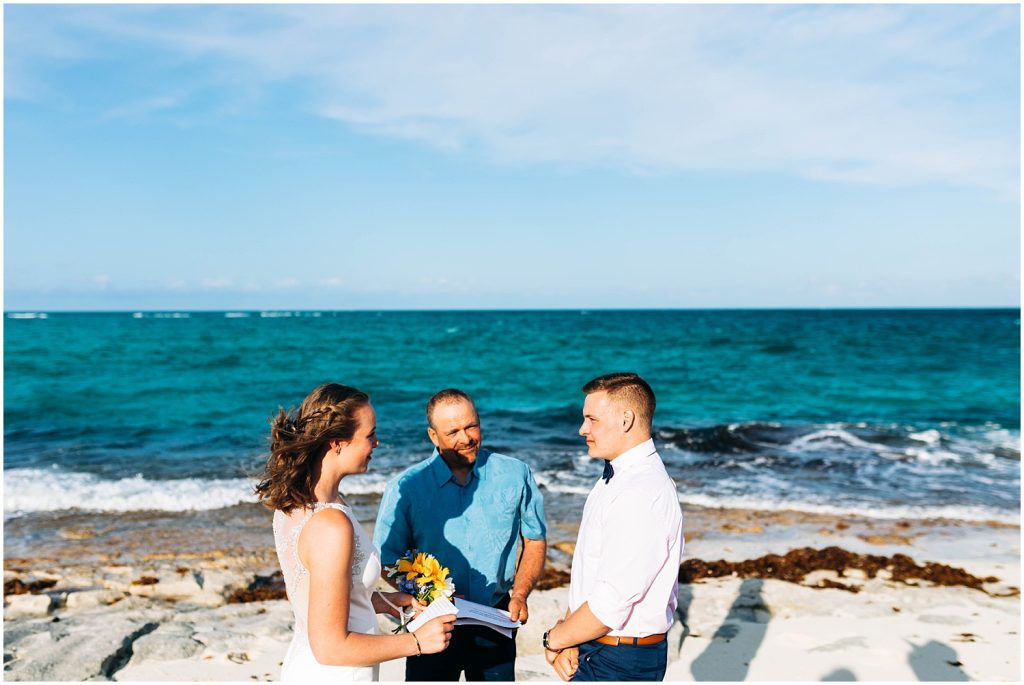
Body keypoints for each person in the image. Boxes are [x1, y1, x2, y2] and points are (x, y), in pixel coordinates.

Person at [256, 383, 456, 682]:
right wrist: (416, 643)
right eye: (370, 434)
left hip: (307, 665)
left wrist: (386, 601)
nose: (377, 443)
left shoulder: (296, 505)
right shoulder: (331, 524)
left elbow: (310, 596)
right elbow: (330, 647)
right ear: (337, 443)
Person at [374, 388, 547, 681]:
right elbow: (387, 558)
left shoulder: (515, 474)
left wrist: (519, 594)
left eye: (471, 426)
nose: (466, 438)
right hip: (432, 622)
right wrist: (432, 596)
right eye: (453, 431)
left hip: (497, 619)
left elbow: (534, 539)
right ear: (433, 436)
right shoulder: (404, 488)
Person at [542, 373, 684, 682]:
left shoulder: (640, 491)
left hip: (618, 661)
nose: (583, 429)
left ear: (626, 419)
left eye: (592, 419)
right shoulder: (618, 477)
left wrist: (553, 640)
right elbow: (592, 573)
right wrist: (571, 637)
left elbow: (612, 602)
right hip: (598, 647)